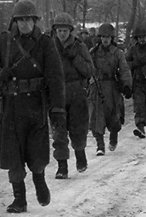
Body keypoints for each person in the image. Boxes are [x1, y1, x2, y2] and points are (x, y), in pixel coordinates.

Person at [0, 0, 66, 213]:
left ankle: (39, 180)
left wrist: (56, 108)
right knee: (12, 155)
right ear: (15, 21)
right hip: (10, 107)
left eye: (27, 19)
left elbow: (56, 77)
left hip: (36, 105)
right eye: (20, 20)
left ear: (35, 21)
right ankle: (19, 198)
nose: (24, 24)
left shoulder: (46, 43)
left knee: (36, 152)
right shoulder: (6, 41)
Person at [51, 13, 94, 179]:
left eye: (65, 30)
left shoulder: (79, 47)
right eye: (59, 30)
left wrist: (75, 57)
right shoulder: (50, 47)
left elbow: (89, 70)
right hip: (56, 93)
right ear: (55, 31)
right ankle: (62, 166)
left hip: (76, 92)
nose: (62, 34)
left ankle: (80, 153)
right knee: (58, 131)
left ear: (71, 31)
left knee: (78, 127)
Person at [88, 23, 132, 156]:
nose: (105, 40)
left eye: (108, 37)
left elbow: (124, 69)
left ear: (111, 38)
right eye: (103, 37)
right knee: (96, 116)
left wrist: (127, 85)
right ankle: (100, 145)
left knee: (114, 115)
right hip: (97, 87)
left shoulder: (117, 53)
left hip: (113, 88)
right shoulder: (93, 53)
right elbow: (86, 69)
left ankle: (113, 136)